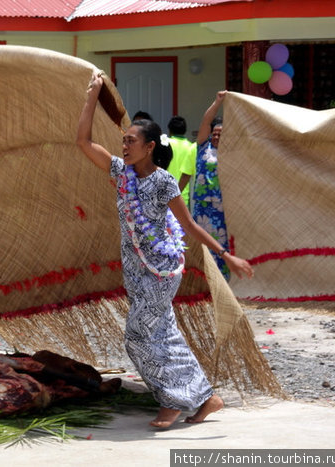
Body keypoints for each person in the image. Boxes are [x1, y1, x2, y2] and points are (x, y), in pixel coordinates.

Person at [77, 73, 254, 428]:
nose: (124, 146)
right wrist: (93, 95)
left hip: (160, 269)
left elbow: (189, 226)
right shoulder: (120, 173)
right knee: (160, 333)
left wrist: (227, 254)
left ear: (149, 146)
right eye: (122, 141)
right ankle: (205, 398)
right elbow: (83, 141)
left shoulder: (163, 182)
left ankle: (172, 401)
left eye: (130, 141)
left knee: (139, 335)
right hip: (135, 267)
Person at [192, 91, 230, 279]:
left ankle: (221, 279)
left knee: (221, 243)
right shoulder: (203, 146)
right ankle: (201, 277)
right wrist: (217, 102)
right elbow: (206, 122)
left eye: (220, 134)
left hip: (221, 205)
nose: (215, 137)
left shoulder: (231, 153)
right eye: (214, 133)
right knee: (199, 241)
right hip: (202, 204)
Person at [165, 115, 196, 206]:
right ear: (185, 130)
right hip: (183, 197)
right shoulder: (191, 147)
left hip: (165, 194)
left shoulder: (165, 144)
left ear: (170, 130)